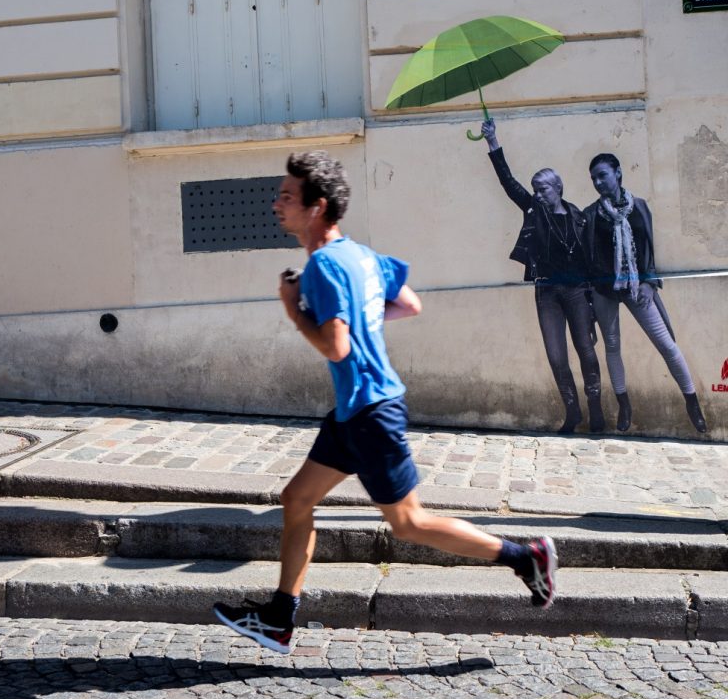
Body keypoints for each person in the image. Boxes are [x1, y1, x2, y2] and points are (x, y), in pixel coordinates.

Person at [212, 151, 558, 655]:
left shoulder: (324, 268)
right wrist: (361, 320)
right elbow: (409, 303)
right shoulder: (360, 256)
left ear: (318, 206)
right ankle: (279, 617)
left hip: (370, 412)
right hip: (357, 409)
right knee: (297, 499)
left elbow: (336, 346)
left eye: (287, 196)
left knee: (408, 523)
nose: (276, 204)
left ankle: (524, 556)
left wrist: (294, 311)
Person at [480, 119, 604, 434]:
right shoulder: (533, 211)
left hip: (577, 292)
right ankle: (572, 412)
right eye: (535, 189)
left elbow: (590, 262)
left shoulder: (578, 217)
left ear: (557, 188)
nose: (537, 194)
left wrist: (591, 305)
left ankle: (596, 410)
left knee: (586, 350)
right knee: (556, 355)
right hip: (546, 292)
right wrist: (493, 142)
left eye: (543, 188)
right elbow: (508, 183)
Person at [583, 154, 707, 433]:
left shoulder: (639, 207)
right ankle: (624, 404)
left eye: (602, 175)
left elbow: (649, 249)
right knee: (612, 347)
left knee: (666, 345)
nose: (598, 182)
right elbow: (588, 260)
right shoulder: (590, 215)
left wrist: (650, 283)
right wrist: (590, 300)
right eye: (593, 178)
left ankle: (692, 402)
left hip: (637, 286)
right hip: (604, 290)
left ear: (618, 172)